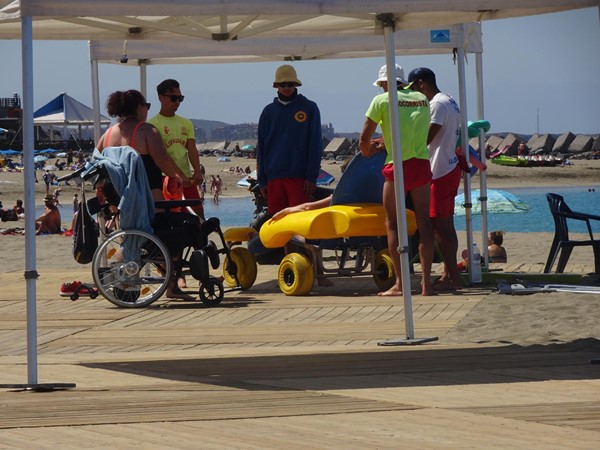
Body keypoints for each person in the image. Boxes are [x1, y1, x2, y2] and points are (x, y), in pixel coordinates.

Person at [96, 89, 193, 301]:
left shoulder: (108, 134)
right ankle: (171, 285)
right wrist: (180, 177)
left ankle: (121, 275)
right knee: (165, 238)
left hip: (123, 202)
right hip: (150, 197)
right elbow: (163, 161)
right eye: (146, 106)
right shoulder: (147, 131)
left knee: (133, 240)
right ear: (139, 107)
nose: (147, 110)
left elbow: (97, 165)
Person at [359, 63, 435, 296]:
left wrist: (369, 150)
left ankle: (401, 284)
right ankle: (425, 284)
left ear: (383, 83)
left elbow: (364, 138)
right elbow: (410, 129)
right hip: (421, 163)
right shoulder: (421, 99)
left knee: (393, 224)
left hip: (396, 165)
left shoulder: (381, 100)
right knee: (424, 223)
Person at [408, 67, 463, 291]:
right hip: (448, 166)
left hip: (439, 170)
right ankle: (450, 273)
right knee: (444, 225)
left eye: (413, 88)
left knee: (440, 227)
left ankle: (452, 277)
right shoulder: (449, 100)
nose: (412, 95)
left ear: (421, 84)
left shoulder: (437, 104)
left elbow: (426, 137)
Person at [257, 64, 323, 216]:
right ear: (276, 86)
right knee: (278, 223)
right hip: (273, 178)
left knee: (300, 221)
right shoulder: (268, 112)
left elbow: (315, 144)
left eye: (290, 84)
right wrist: (262, 180)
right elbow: (261, 148)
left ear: (296, 85)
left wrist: (311, 176)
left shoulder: (310, 108)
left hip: (299, 178)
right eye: (282, 84)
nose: (286, 87)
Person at [149, 79, 205, 219]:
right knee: (172, 218)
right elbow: (163, 156)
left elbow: (191, 149)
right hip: (166, 180)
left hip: (187, 179)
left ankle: (200, 240)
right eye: (173, 98)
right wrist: (178, 175)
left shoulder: (186, 123)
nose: (177, 102)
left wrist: (197, 171)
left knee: (198, 214)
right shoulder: (152, 125)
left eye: (180, 98)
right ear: (161, 98)